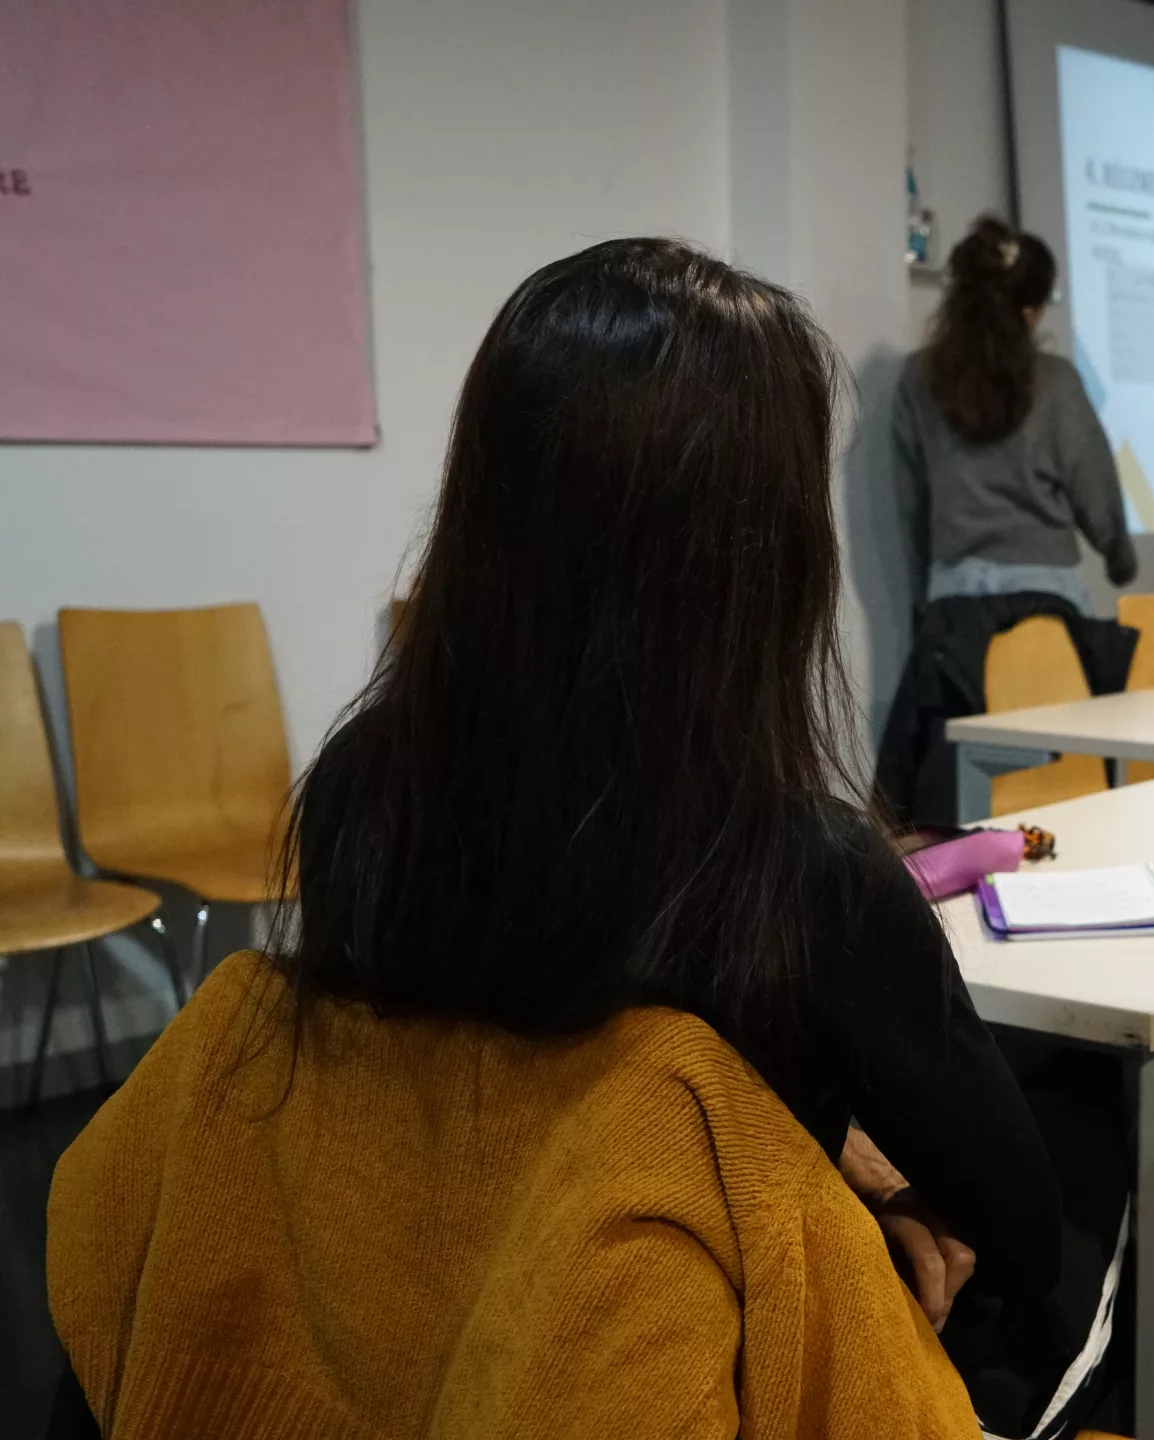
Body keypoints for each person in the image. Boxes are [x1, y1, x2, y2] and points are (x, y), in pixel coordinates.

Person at [46, 239, 1059, 1438]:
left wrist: (829, 1157)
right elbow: (1018, 1229)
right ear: (763, 554)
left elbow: (497, 1089)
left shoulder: (360, 794)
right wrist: (842, 1176)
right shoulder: (802, 880)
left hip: (402, 1349)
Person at [895, 215, 1136, 614]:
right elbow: (1092, 481)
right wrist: (1119, 558)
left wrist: (922, 598)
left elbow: (911, 505)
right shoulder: (1056, 381)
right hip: (1046, 597)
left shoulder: (918, 379)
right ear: (1029, 313)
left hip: (953, 598)